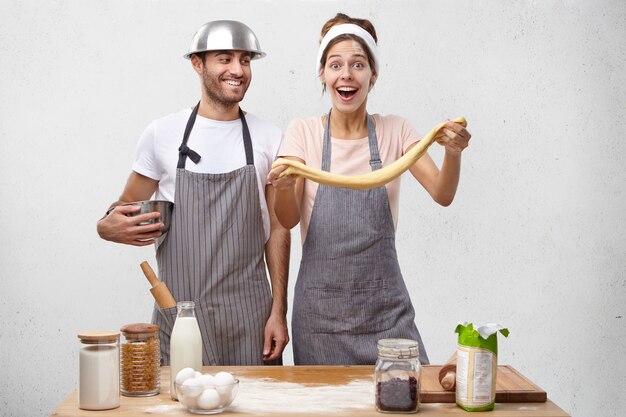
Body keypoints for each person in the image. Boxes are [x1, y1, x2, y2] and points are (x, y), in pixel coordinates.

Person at [268, 13, 471, 365]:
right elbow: (286, 219)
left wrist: (452, 153)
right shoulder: (303, 133)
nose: (346, 74)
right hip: (320, 323)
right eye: (335, 65)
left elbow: (442, 193)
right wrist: (285, 187)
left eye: (358, 65)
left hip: (387, 318)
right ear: (323, 74)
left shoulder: (395, 131)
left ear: (372, 75)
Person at [97, 20, 290, 365]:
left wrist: (279, 312)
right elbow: (123, 207)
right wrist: (105, 226)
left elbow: (278, 229)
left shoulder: (268, 137)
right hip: (179, 317)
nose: (237, 70)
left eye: (245, 60)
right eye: (224, 59)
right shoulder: (162, 134)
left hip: (250, 320)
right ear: (197, 64)